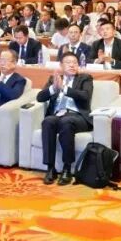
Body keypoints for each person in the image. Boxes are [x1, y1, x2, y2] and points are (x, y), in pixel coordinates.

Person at [36, 51, 92, 186]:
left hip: (78, 117)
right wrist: (53, 88)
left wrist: (64, 89)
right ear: (61, 65)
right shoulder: (54, 79)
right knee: (48, 121)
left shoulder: (85, 79)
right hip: (57, 115)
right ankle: (50, 168)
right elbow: (40, 98)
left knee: (66, 122)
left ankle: (67, 168)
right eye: (68, 62)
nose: (72, 65)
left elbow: (85, 96)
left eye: (75, 63)